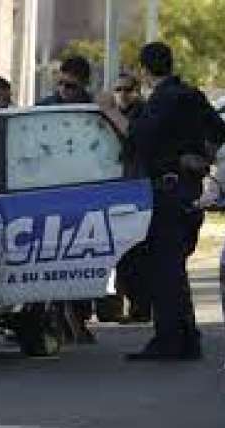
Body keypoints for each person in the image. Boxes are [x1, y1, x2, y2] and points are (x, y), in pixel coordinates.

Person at [99, 42, 225, 360]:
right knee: (174, 269)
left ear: (144, 70)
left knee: (163, 269)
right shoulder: (192, 94)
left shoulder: (162, 100)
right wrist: (199, 157)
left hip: (166, 194)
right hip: (187, 191)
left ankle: (170, 340)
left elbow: (138, 139)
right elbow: (219, 132)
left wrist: (109, 111)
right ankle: (186, 338)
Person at [37, 55, 96, 345]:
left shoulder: (95, 110)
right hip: (50, 193)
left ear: (84, 84)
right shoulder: (43, 109)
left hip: (85, 195)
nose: (63, 90)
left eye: (70, 86)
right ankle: (57, 318)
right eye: (60, 83)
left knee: (84, 259)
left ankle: (78, 317)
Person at [111, 72, 152, 324]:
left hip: (137, 188)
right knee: (123, 255)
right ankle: (128, 304)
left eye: (127, 90)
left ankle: (141, 306)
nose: (122, 95)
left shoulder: (143, 114)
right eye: (118, 90)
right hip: (116, 188)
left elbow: (133, 138)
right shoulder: (111, 116)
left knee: (138, 252)